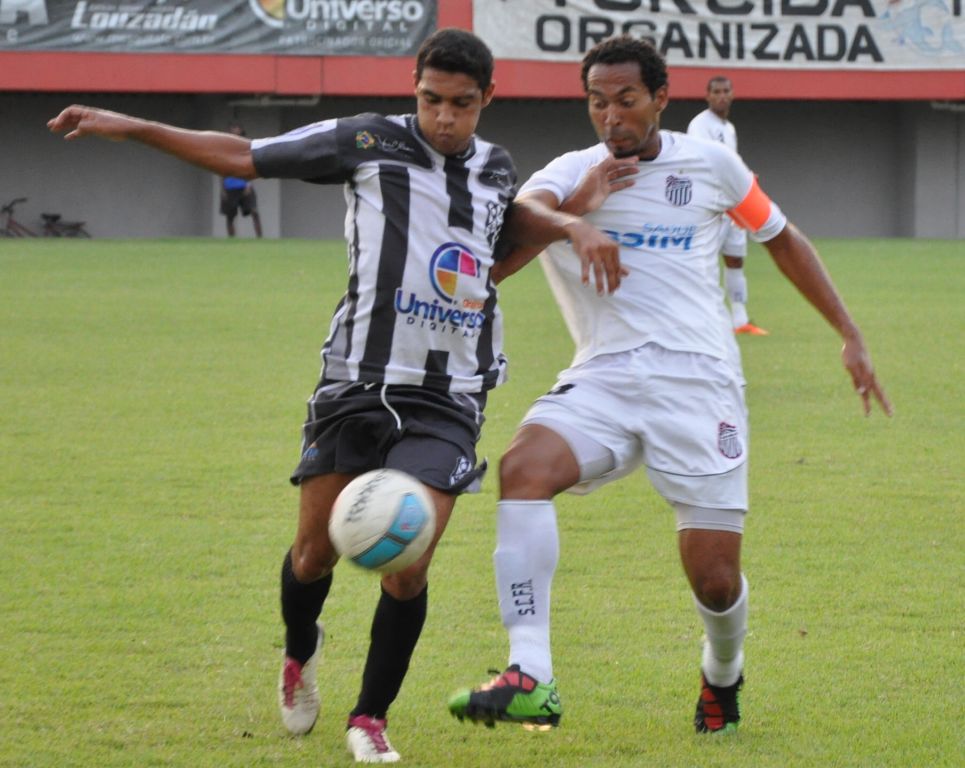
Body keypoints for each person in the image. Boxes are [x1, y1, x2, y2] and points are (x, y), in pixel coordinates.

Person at [47, 28, 621, 764]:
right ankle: (300, 650)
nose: (445, 117)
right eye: (432, 100)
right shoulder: (367, 142)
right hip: (355, 381)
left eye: (461, 104)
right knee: (314, 555)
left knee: (408, 566)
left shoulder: (496, 169)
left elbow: (491, 259)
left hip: (449, 396)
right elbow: (245, 156)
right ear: (413, 87)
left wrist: (571, 218)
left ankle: (369, 717)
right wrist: (131, 127)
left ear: (487, 98)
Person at [448, 35, 892, 735]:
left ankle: (722, 672)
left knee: (714, 581)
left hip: (699, 385)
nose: (611, 116)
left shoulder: (709, 164)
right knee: (522, 469)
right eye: (597, 102)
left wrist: (849, 332)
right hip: (604, 376)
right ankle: (530, 673)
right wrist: (577, 215)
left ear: (660, 97)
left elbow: (779, 236)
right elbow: (511, 234)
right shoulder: (571, 172)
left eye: (626, 100)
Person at [687, 76, 765, 335]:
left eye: (725, 91)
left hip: (733, 204)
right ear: (707, 95)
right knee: (705, 261)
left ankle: (740, 320)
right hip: (712, 205)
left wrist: (744, 176)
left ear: (732, 94)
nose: (721, 96)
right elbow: (701, 161)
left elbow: (729, 163)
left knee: (735, 258)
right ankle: (704, 320)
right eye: (716, 92)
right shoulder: (700, 125)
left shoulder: (728, 128)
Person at [220, 123, 263, 238]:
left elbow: (250, 165)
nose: (235, 130)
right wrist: (223, 189)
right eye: (232, 128)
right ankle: (231, 240)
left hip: (244, 185)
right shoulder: (225, 148)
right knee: (230, 216)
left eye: (237, 128)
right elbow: (222, 168)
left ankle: (260, 239)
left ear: (241, 131)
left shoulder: (246, 146)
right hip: (230, 186)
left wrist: (248, 183)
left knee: (254, 211)